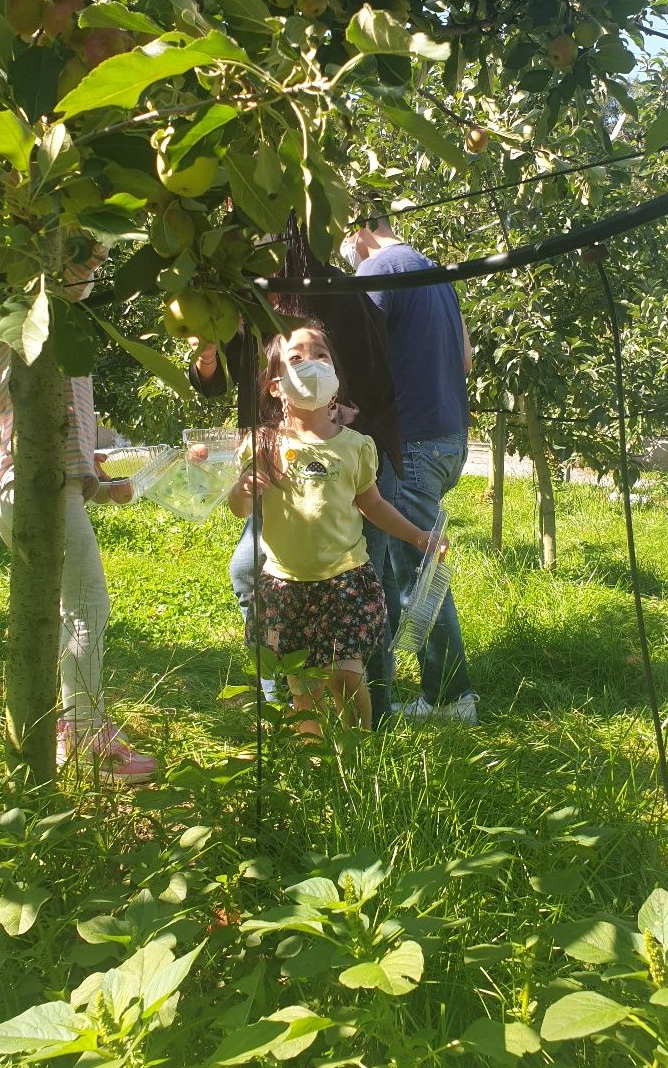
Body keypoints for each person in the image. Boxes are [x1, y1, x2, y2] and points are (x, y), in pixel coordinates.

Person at [189, 215, 402, 724]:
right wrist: (207, 361)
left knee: (361, 579)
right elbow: (217, 380)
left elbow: (376, 378)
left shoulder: (336, 293)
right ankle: (290, 694)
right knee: (253, 571)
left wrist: (348, 414)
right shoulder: (246, 295)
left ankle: (374, 707)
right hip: (278, 456)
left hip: (344, 454)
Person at [0, 237, 157, 782]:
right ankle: (84, 734)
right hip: (33, 492)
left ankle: (71, 724)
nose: (96, 271)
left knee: (70, 608)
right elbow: (34, 429)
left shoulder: (59, 339)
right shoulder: (25, 336)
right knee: (87, 606)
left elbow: (68, 442)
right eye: (89, 257)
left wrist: (104, 487)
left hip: (47, 490)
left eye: (102, 261)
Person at [227, 320, 447, 734]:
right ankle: (313, 759)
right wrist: (242, 489)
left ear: (335, 377)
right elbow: (240, 510)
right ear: (276, 386)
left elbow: (373, 505)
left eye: (320, 355)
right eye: (296, 359)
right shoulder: (264, 444)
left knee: (346, 676)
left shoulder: (356, 446)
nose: (311, 364)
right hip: (283, 585)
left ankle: (356, 747)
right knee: (303, 687)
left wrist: (417, 535)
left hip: (344, 580)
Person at [340, 215, 477, 725]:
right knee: (402, 565)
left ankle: (449, 697)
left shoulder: (376, 270)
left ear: (361, 230)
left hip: (410, 442)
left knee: (415, 574)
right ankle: (384, 688)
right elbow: (464, 360)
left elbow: (356, 354)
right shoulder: (434, 273)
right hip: (449, 438)